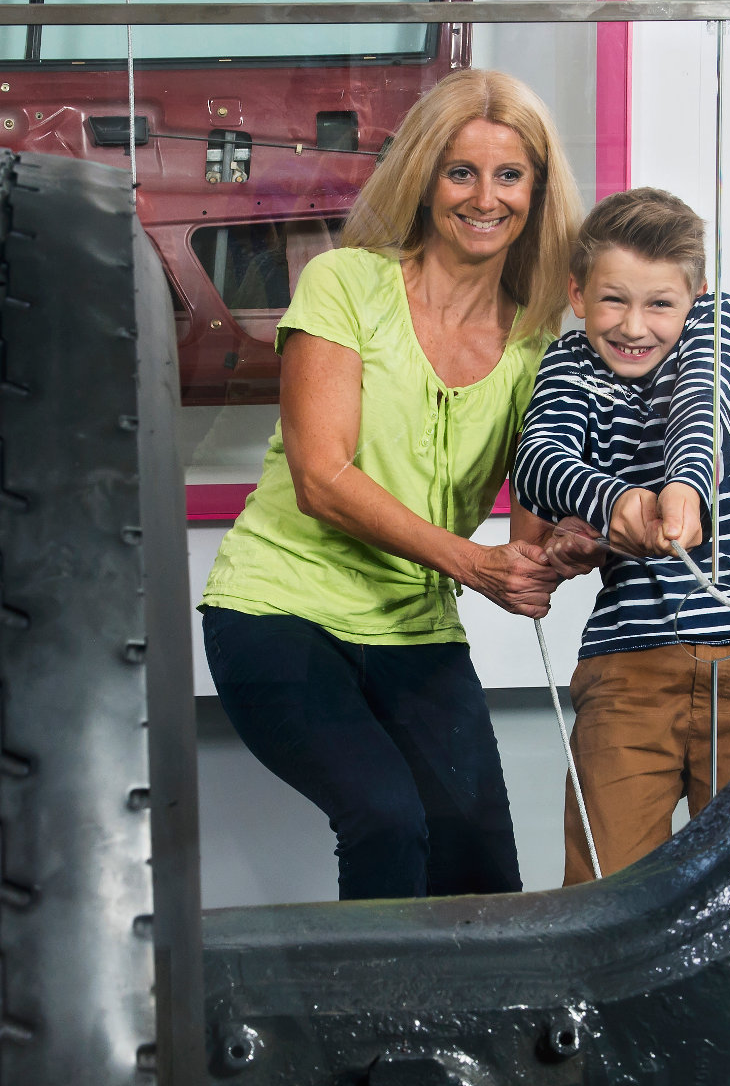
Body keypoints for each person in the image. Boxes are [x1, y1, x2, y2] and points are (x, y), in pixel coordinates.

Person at [199, 69, 588, 900]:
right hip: (280, 612)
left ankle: (473, 1031)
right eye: (462, 172)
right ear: (423, 180)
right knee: (385, 817)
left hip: (415, 632)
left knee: (482, 869)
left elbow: (524, 536)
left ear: (537, 191)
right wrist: (470, 564)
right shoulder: (346, 284)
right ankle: (373, 1032)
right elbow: (321, 478)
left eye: (509, 175)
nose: (486, 198)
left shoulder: (535, 343)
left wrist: (562, 551)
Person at [512, 188, 730, 885]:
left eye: (660, 304)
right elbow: (540, 460)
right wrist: (611, 508)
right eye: (614, 300)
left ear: (698, 296)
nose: (634, 325)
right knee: (601, 896)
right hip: (629, 668)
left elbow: (706, 412)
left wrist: (686, 489)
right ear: (577, 293)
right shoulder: (568, 365)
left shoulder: (720, 327)